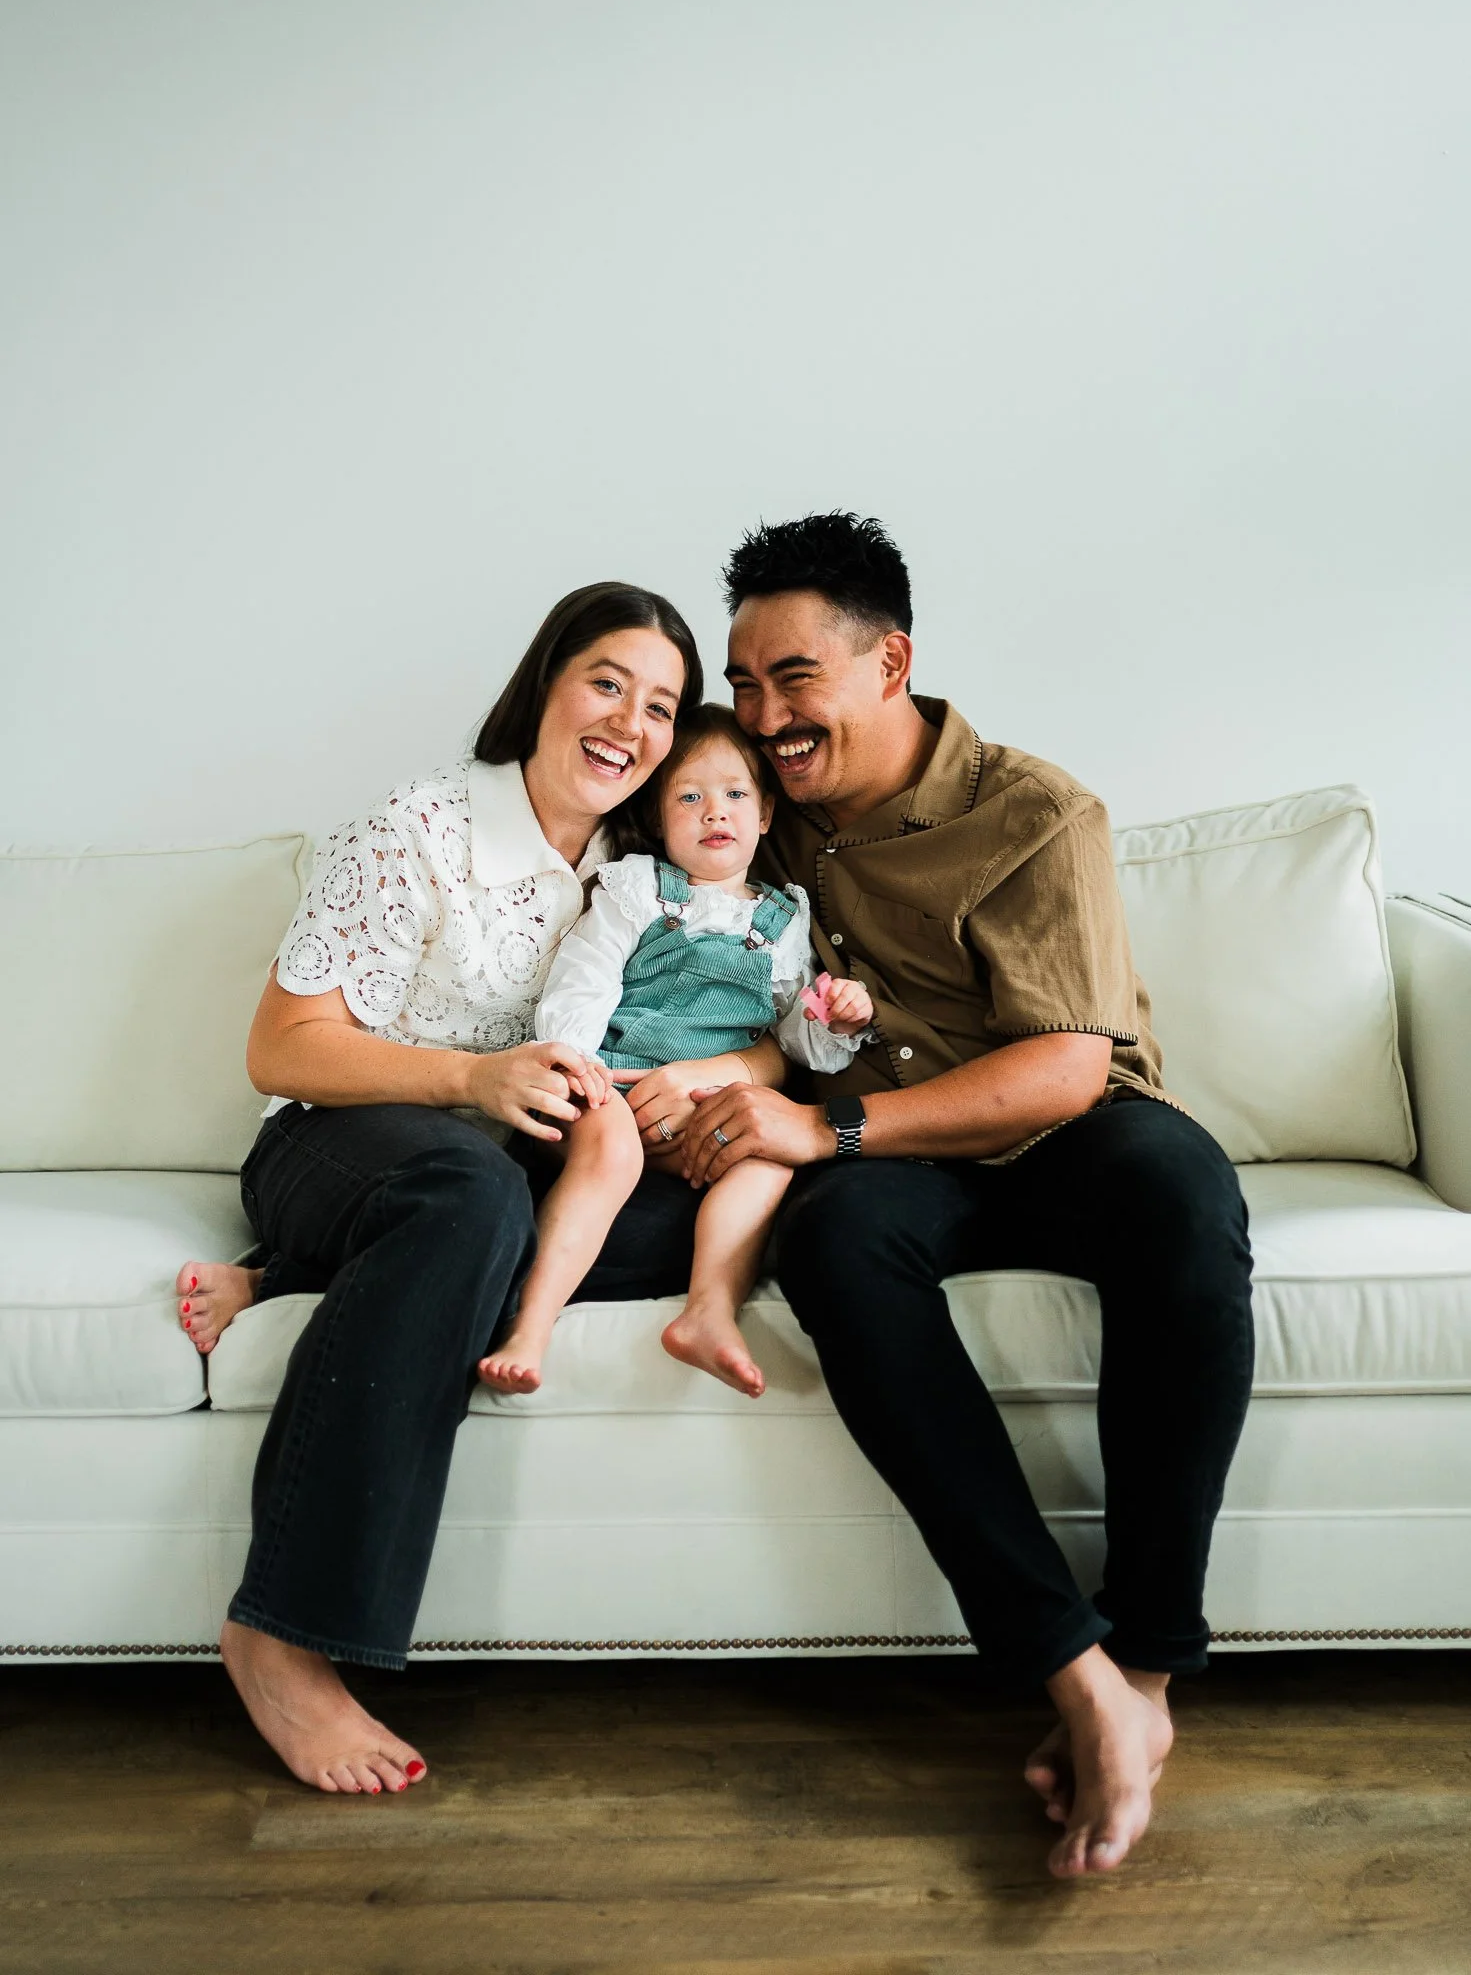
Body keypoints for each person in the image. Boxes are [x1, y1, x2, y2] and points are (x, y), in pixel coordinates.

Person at [678, 513, 1255, 1880]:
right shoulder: (758, 817)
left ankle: (1149, 1669)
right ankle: (1070, 1672)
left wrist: (826, 1128)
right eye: (742, 683)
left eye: (792, 679)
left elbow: (1065, 1066)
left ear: (892, 665)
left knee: (1185, 1200)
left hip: (1065, 1133)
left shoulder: (1031, 809)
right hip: (896, 1172)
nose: (762, 716)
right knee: (832, 1249)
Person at [174, 581, 783, 1797]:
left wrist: (717, 1078)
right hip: (336, 1140)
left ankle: (293, 1283)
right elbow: (282, 1047)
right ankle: (282, 1632)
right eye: (607, 681)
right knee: (467, 1194)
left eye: (662, 706)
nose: (630, 722)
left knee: (732, 1197)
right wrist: (469, 1075)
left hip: (504, 1167)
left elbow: (755, 1010)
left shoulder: (637, 858)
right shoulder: (419, 826)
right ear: (546, 683)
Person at [478, 703, 873, 1402]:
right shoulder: (638, 891)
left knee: (769, 1158)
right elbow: (585, 976)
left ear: (765, 815)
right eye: (689, 796)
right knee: (613, 1152)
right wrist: (576, 1063)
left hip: (706, 1111)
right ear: (658, 818)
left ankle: (707, 1311)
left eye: (733, 795)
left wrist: (837, 1020)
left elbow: (791, 1039)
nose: (713, 812)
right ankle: (530, 1326)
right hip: (609, 1084)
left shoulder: (782, 921)